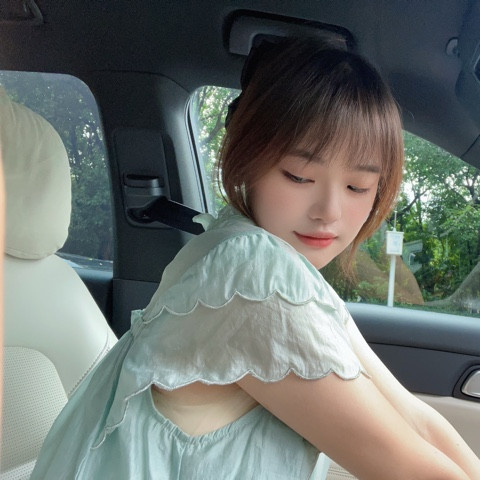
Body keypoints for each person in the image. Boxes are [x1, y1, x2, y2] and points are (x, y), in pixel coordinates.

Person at [31, 37, 480, 479]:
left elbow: (415, 419)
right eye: (299, 176)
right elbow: (406, 467)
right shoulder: (250, 273)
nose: (329, 211)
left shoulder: (276, 265)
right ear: (248, 160)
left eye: (357, 187)